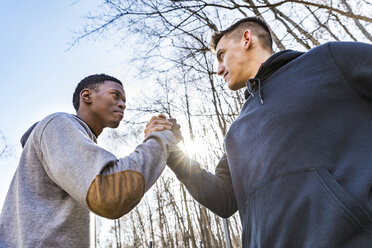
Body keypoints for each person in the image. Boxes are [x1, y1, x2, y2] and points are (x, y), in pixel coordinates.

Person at [150, 17, 372, 247]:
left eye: (221, 55)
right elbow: (223, 199)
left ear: (247, 39)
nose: (218, 70)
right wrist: (172, 152)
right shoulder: (236, 131)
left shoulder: (328, 60)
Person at [0, 74, 180, 247]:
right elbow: (110, 193)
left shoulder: (77, 141)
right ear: (86, 96)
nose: (122, 105)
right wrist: (158, 139)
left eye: (124, 101)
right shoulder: (57, 124)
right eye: (115, 95)